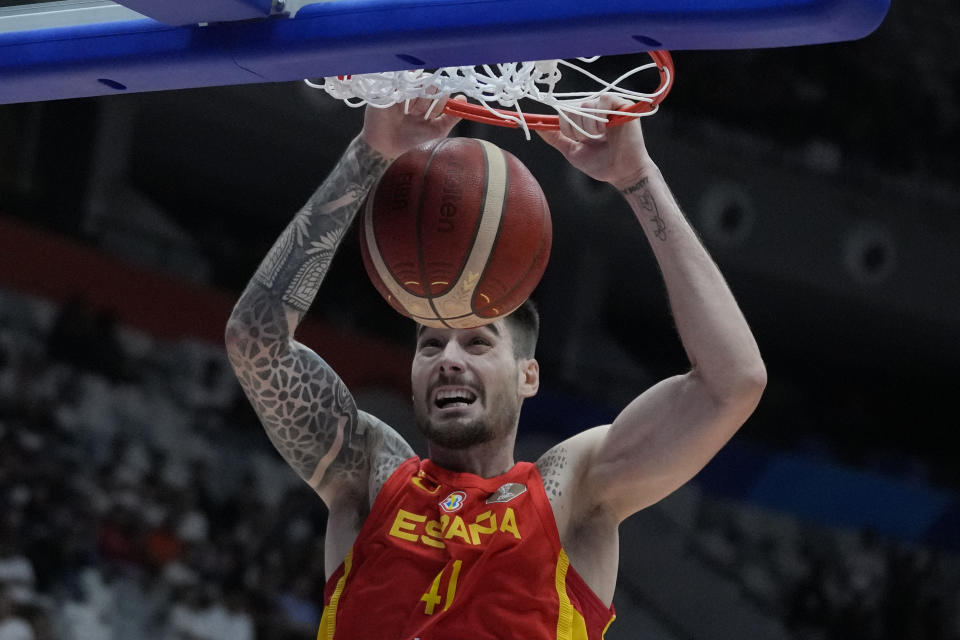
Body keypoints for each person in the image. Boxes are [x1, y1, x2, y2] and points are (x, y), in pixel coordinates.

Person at [225, 95, 766, 639]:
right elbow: (255, 342)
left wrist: (638, 179)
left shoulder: (570, 490)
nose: (449, 361)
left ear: (528, 374)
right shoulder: (372, 478)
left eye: (478, 344)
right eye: (430, 346)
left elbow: (732, 382)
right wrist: (370, 154)